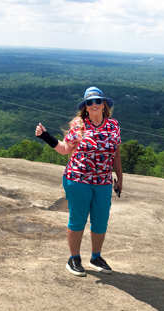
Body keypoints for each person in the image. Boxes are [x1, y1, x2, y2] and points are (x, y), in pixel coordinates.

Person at [34, 86, 122, 276]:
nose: (94, 104)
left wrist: (120, 178)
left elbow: (116, 153)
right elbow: (66, 148)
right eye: (90, 102)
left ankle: (95, 257)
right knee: (78, 219)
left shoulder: (114, 125)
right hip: (78, 179)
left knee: (101, 221)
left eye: (98, 101)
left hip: (103, 182)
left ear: (104, 104)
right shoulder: (79, 124)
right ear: (86, 107)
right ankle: (74, 259)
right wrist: (45, 136)